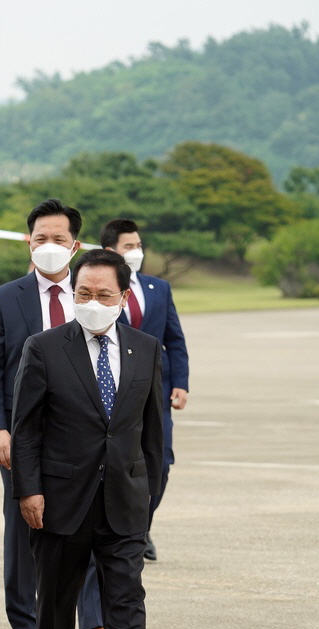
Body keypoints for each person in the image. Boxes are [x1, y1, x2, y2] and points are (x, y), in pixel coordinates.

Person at [11, 248, 171, 629]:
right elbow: (27, 429)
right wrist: (29, 491)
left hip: (124, 499)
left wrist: (150, 495)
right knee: (57, 600)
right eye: (84, 293)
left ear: (123, 296)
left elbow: (152, 432)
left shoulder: (145, 349)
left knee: (126, 601)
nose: (93, 301)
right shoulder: (44, 347)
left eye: (103, 294)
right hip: (60, 498)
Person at [0, 198, 108, 629]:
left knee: (91, 521)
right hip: (23, 433)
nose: (49, 247)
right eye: (41, 239)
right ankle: (28, 623)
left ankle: (94, 625)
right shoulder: (5, 298)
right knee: (23, 525)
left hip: (84, 432)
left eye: (59, 239)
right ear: (27, 243)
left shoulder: (95, 297)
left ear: (75, 246)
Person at [101, 219, 189, 561]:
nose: (136, 252)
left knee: (161, 461)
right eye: (128, 246)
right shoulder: (97, 291)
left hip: (158, 390)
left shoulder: (159, 289)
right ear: (111, 251)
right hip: (116, 391)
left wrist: (180, 382)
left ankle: (142, 527)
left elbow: (175, 339)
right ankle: (121, 531)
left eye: (138, 246)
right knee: (120, 462)